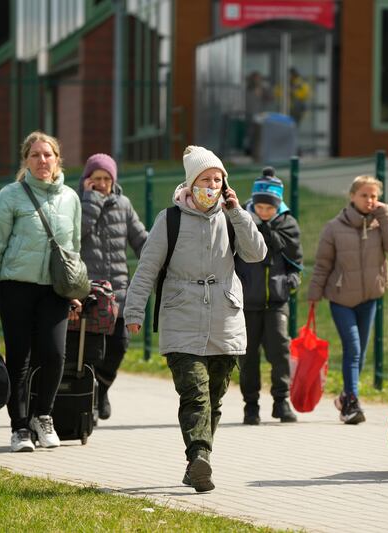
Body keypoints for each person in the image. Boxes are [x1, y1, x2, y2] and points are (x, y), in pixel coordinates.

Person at [123, 145, 266, 492]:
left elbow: (256, 252)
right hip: (181, 315)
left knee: (214, 398)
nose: (212, 185)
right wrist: (133, 310)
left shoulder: (231, 217)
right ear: (191, 183)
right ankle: (199, 455)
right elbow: (146, 269)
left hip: (224, 319)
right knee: (195, 393)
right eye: (206, 179)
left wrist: (237, 213)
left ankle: (197, 463)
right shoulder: (168, 220)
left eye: (218, 179)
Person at [0, 131, 83, 453]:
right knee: (19, 357)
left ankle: (43, 416)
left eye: (47, 154)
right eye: (35, 155)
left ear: (58, 159)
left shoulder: (71, 198)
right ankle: (19, 427)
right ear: (26, 161)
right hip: (15, 286)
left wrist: (72, 286)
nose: (42, 160)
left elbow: (73, 247)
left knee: (55, 354)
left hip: (54, 290)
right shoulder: (11, 195)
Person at [308, 175, 388, 424]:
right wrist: (314, 293)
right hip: (341, 299)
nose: (370, 200)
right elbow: (323, 263)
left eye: (374, 196)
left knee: (358, 353)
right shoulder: (333, 227)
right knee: (354, 349)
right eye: (364, 195)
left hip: (369, 298)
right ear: (352, 196)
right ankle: (352, 404)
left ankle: (346, 397)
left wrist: (386, 214)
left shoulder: (379, 223)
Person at [78, 153, 147, 420]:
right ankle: (88, 398)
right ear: (87, 180)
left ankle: (101, 388)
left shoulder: (124, 204)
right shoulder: (77, 203)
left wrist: (160, 255)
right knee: (91, 349)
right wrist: (91, 202)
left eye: (107, 178)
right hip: (88, 293)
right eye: (97, 179)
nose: (103, 183)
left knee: (120, 345)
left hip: (119, 293)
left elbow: (141, 238)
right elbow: (77, 234)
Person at [235, 166, 303, 425]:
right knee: (247, 355)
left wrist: (290, 283)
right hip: (246, 303)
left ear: (278, 205)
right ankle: (250, 406)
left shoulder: (288, 223)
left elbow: (295, 261)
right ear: (254, 202)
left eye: (269, 208)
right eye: (260, 207)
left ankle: (281, 401)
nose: (264, 212)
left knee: (280, 350)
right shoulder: (239, 221)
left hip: (277, 302)